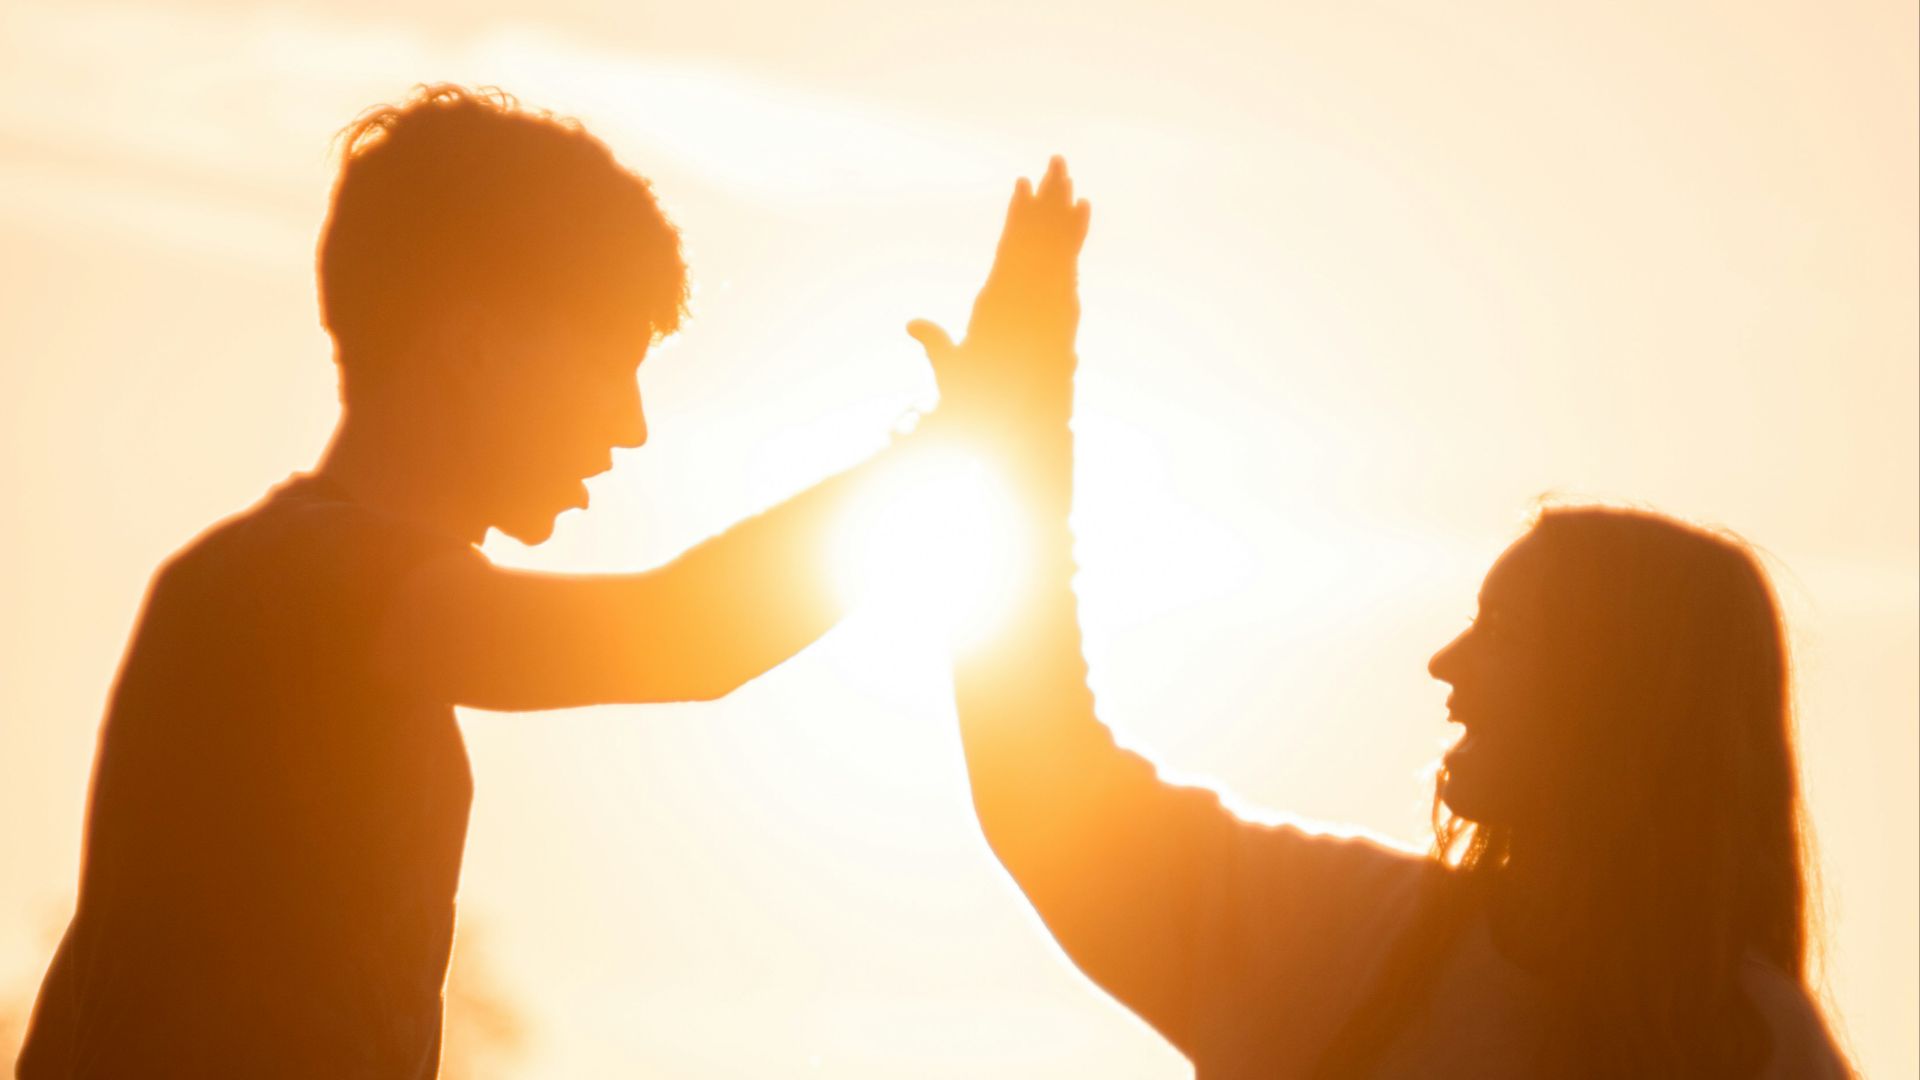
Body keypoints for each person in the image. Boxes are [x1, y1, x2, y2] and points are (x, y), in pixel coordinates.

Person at [14, 84, 1069, 1078]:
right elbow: (681, 638)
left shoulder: (280, 586)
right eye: (611, 363)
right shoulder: (305, 584)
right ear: (473, 348)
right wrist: (948, 451)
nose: (632, 425)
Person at [919, 170, 1854, 1076]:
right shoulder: (1327, 930)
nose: (1446, 662)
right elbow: (1049, 796)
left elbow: (1048, 796)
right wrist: (1015, 433)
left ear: (1616, 695)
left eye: (1504, 630)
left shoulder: (1763, 1052)